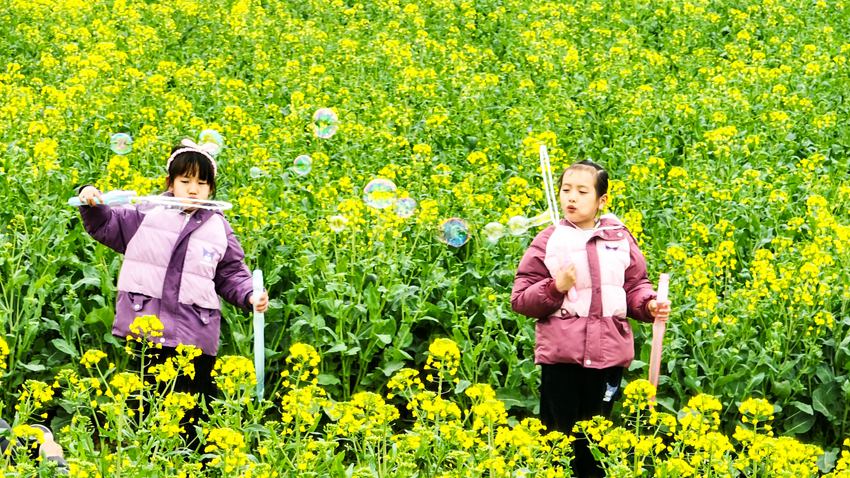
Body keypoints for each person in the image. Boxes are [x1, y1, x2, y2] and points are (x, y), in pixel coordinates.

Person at [76, 138, 269, 444]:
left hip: (196, 335)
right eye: (185, 181)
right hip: (147, 329)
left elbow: (232, 272)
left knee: (194, 413)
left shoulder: (219, 228)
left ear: (212, 189)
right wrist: (91, 201)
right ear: (170, 183)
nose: (194, 189)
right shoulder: (145, 215)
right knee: (147, 407)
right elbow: (107, 223)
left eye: (203, 183)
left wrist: (249, 295)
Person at [511, 160, 670, 477]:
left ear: (602, 200)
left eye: (582, 191)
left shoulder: (620, 238)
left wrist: (649, 305)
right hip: (562, 359)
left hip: (607, 356)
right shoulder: (549, 240)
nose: (571, 197)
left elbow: (635, 285)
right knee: (557, 437)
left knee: (596, 440)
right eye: (566, 190)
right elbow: (521, 298)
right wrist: (556, 288)